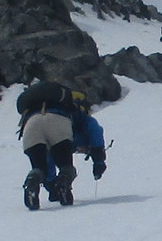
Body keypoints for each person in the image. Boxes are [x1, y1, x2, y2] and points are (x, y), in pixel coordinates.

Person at [14, 80, 108, 210]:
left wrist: (51, 187)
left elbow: (49, 159)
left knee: (39, 168)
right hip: (58, 121)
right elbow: (95, 130)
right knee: (66, 167)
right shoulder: (78, 114)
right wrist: (99, 160)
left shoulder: (33, 107)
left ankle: (32, 181)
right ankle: (64, 184)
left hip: (30, 124)